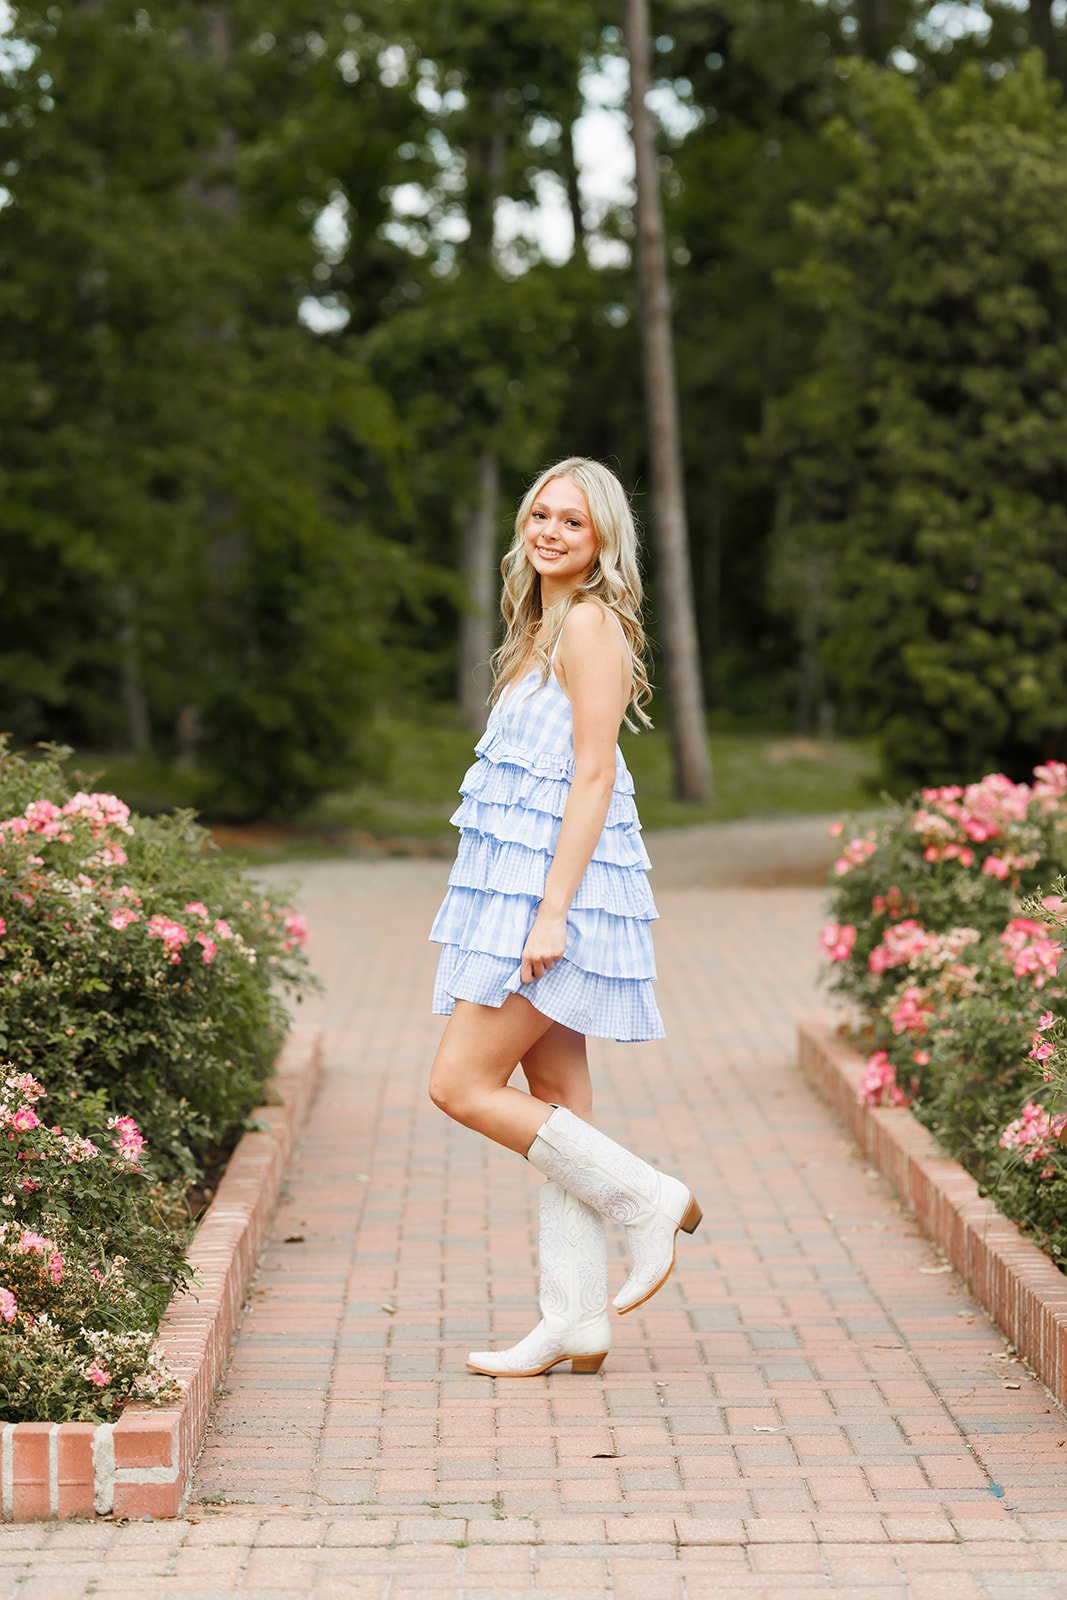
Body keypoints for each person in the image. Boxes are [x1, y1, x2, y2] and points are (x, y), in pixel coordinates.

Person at [428, 456, 701, 1378]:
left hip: (556, 902)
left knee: (459, 1084)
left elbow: (592, 775)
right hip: (522, 892)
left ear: (601, 542)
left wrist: (550, 915)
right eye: (540, 514)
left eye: (571, 522)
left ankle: (646, 1200)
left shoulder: (588, 626)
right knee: (558, 1103)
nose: (548, 531)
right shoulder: (539, 628)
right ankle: (575, 1318)